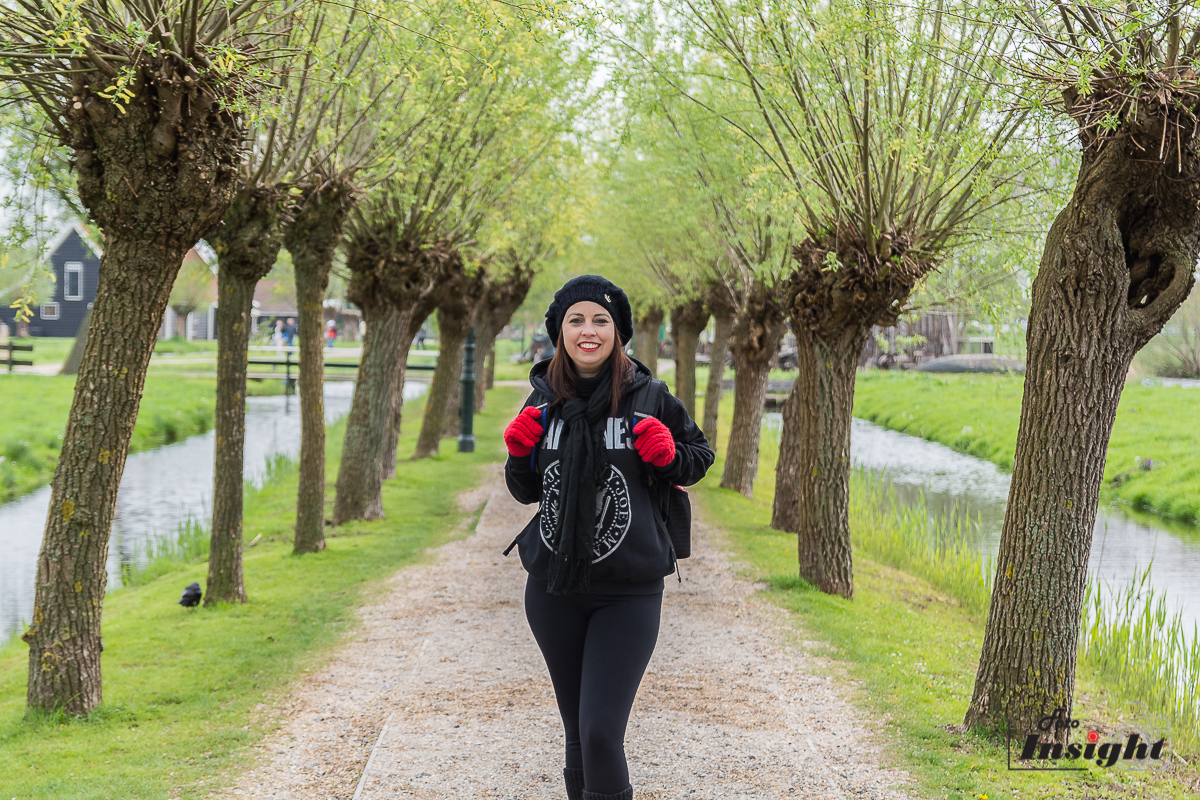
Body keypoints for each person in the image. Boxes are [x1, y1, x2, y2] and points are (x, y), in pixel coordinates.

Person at [503, 275, 714, 800]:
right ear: (560, 332)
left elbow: (698, 457)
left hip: (628, 591)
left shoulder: (650, 395)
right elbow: (527, 492)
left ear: (618, 331)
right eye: (576, 320)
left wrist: (668, 455)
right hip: (553, 589)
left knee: (601, 734)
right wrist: (518, 454)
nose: (588, 331)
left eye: (600, 320)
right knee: (577, 735)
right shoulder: (543, 399)